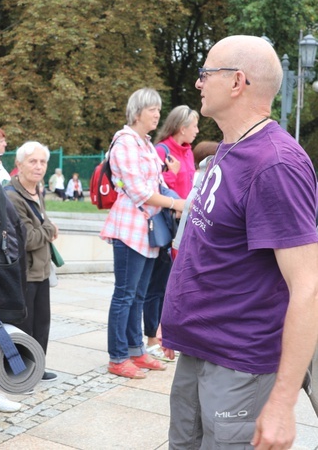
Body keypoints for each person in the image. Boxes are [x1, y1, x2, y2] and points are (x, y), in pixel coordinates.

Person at [161, 35, 318, 449]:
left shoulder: (276, 165)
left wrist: (282, 404)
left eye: (205, 73)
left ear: (237, 82)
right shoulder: (232, 147)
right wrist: (175, 317)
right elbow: (205, 246)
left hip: (239, 365)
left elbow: (308, 286)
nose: (198, 84)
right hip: (199, 349)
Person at [98, 88, 185, 380]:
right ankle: (117, 356)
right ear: (137, 112)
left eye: (159, 109)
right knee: (124, 295)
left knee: (138, 294)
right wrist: (176, 203)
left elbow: (158, 184)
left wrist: (174, 199)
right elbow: (138, 191)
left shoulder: (145, 143)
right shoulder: (125, 143)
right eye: (152, 110)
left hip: (147, 228)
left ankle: (135, 350)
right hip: (129, 226)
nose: (157, 114)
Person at [143, 104, 199, 361]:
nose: (197, 131)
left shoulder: (187, 152)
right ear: (181, 127)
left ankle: (169, 335)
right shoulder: (162, 151)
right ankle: (152, 336)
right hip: (167, 223)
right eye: (194, 126)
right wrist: (173, 176)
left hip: (184, 223)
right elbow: (158, 190)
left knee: (174, 283)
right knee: (158, 282)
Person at [5, 141, 59, 382]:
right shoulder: (12, 196)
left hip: (42, 270)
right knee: (25, 327)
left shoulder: (38, 190)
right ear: (19, 165)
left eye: (43, 162)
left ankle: (37, 368)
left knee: (42, 325)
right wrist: (50, 228)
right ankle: (22, 372)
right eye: (33, 161)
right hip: (24, 273)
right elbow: (29, 239)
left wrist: (45, 229)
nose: (39, 167)